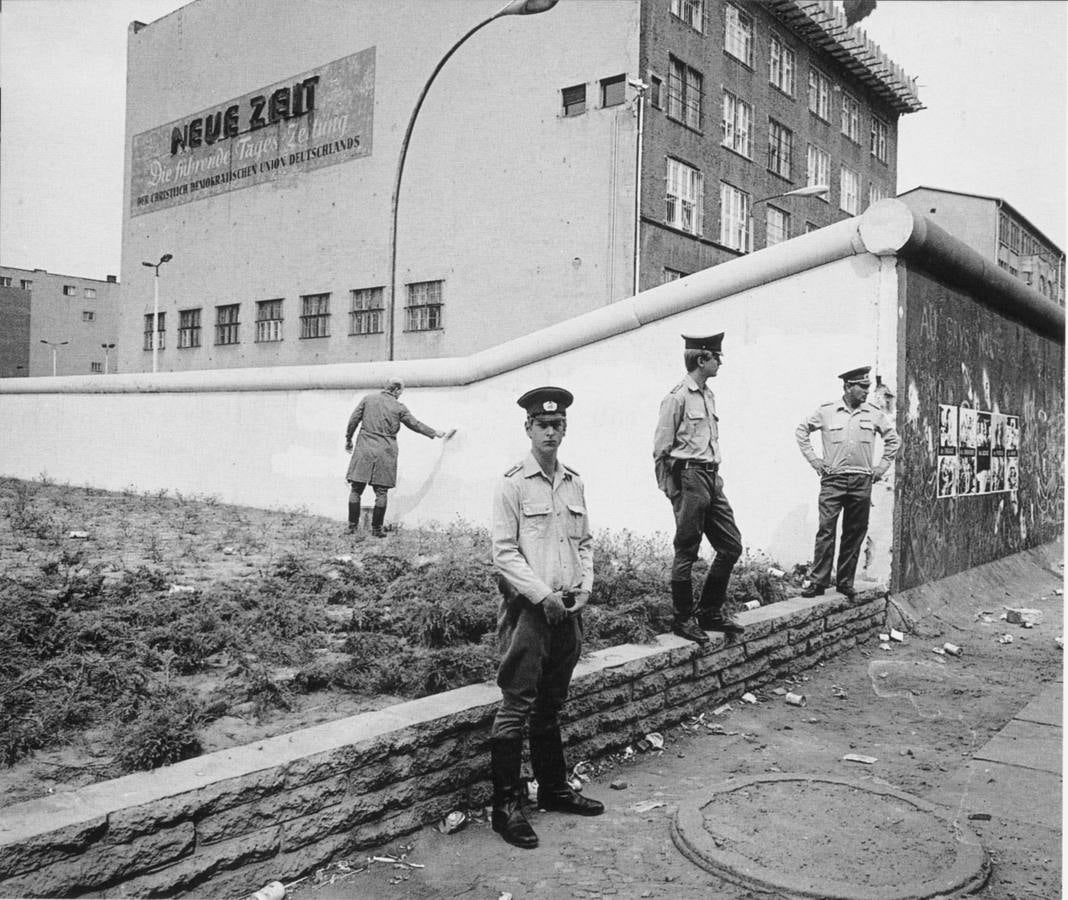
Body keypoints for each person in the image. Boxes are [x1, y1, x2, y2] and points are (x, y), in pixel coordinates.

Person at [489, 386, 604, 849]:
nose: (551, 432)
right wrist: (542, 596)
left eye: (558, 425)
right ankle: (506, 807)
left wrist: (586, 590)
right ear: (529, 428)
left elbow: (585, 542)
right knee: (517, 703)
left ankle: (554, 790)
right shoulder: (513, 482)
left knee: (552, 702)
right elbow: (504, 553)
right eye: (543, 425)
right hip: (530, 612)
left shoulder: (574, 482)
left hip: (568, 609)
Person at [653, 333, 745, 644]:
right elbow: (661, 450)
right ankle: (683, 618)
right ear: (701, 359)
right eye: (716, 357)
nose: (720, 362)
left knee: (731, 546)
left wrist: (715, 480)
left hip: (711, 477)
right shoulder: (676, 397)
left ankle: (710, 612)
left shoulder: (708, 395)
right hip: (689, 477)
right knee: (687, 550)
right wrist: (672, 490)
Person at [795, 366, 900, 599]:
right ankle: (818, 581)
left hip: (861, 480)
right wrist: (814, 460)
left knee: (854, 532)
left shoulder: (873, 413)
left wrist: (881, 468)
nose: (866, 392)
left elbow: (893, 440)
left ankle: (845, 581)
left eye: (867, 387)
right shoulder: (827, 411)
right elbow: (802, 430)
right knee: (826, 530)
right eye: (862, 387)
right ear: (848, 386)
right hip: (833, 478)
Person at [344, 378, 448, 536]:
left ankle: (352, 527)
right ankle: (377, 530)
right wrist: (434, 432)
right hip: (386, 451)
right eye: (401, 392)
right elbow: (416, 424)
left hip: (364, 448)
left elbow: (353, 420)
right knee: (381, 492)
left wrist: (348, 439)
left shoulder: (368, 399)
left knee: (356, 489)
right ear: (396, 390)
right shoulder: (399, 407)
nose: (401, 395)